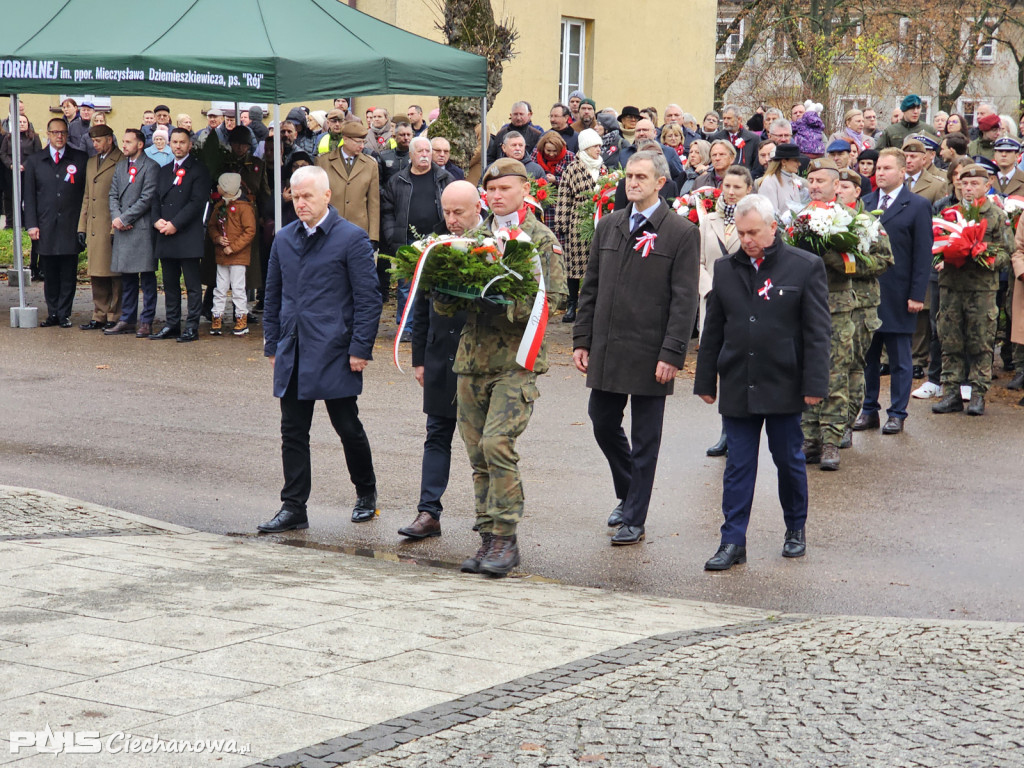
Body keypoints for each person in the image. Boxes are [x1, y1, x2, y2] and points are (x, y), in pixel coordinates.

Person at [440, 158, 566, 576]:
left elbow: (557, 298)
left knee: (497, 445)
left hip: (515, 361)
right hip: (473, 360)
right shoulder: (474, 235)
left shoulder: (540, 239)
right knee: (477, 453)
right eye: (490, 190)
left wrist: (508, 302)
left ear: (523, 190)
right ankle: (487, 538)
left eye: (504, 189)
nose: (495, 196)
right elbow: (446, 304)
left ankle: (506, 539)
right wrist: (444, 284)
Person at [694, 194, 830, 571]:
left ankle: (794, 529)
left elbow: (818, 331)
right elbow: (714, 328)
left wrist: (815, 382)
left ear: (773, 226)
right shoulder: (725, 269)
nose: (748, 239)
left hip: (784, 380)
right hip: (739, 379)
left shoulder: (805, 267)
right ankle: (732, 541)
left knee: (788, 461)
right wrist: (706, 379)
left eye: (754, 231)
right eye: (741, 233)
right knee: (738, 465)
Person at [573, 150, 699, 546]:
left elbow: (684, 300)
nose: (633, 182)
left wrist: (672, 352)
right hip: (609, 345)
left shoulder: (679, 231)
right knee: (602, 421)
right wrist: (582, 339)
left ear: (661, 182)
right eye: (629, 175)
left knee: (646, 439)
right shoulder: (609, 225)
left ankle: (635, 517)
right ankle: (629, 492)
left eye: (641, 177)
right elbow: (589, 287)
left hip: (651, 351)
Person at [258, 166, 383, 533]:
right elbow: (273, 294)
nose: (300, 204)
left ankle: (366, 492)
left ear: (327, 196)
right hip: (294, 349)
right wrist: (272, 342)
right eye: (295, 197)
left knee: (347, 426)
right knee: (292, 431)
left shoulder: (352, 239)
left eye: (307, 196)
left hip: (335, 350)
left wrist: (360, 347)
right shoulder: (283, 239)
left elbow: (368, 299)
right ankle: (293, 506)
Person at [398, 181, 482, 540]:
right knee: (436, 435)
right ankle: (428, 512)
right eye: (446, 212)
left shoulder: (495, 244)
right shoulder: (434, 243)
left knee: (482, 442)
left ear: (477, 208)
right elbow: (420, 302)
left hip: (478, 359)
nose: (451, 220)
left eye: (458, 212)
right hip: (438, 356)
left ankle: (490, 516)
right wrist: (419, 358)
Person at [854, 148, 933, 433]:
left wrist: (916, 295)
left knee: (900, 360)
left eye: (887, 168)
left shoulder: (917, 205)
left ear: (902, 172)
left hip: (900, 295)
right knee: (869, 358)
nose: (880, 172)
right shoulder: (865, 202)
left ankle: (897, 412)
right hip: (869, 296)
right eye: (878, 168)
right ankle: (869, 409)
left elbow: (922, 255)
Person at [930, 164, 1013, 416]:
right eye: (964, 184)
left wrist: (985, 256)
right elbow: (935, 245)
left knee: (980, 342)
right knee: (950, 341)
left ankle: (978, 394)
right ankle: (952, 393)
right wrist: (940, 258)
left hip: (981, 289)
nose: (968, 188)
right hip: (951, 287)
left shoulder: (996, 215)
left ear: (987, 186)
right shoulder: (949, 213)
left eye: (974, 184)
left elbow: (1006, 252)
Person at [698, 165, 753, 458]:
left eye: (737, 188)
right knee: (720, 364)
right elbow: (699, 261)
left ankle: (741, 430)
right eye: (727, 187)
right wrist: (711, 289)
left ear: (748, 190)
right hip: (713, 300)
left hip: (746, 302)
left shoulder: (756, 221)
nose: (730, 193)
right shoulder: (708, 220)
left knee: (742, 364)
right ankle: (725, 431)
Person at [381, 136, 453, 339]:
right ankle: (407, 328)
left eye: (427, 151)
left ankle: (433, 326)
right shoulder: (398, 180)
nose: (425, 155)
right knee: (406, 286)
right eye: (420, 151)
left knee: (436, 284)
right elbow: (387, 211)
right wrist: (391, 235)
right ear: (411, 155)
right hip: (407, 241)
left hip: (438, 240)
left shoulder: (444, 178)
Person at [24, 117, 88, 327]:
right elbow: (30, 196)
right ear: (48, 134)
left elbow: (85, 194)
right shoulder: (35, 161)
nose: (59, 136)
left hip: (71, 224)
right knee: (49, 272)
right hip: (46, 224)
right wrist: (31, 224)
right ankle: (52, 312)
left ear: (67, 135)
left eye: (63, 133)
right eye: (55, 133)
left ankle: (64, 314)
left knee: (69, 272)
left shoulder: (79, 158)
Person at [150, 128, 212, 343]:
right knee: (169, 284)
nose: (177, 146)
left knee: (192, 285)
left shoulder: (199, 170)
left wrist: (175, 224)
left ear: (190, 145)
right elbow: (155, 198)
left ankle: (192, 327)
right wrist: (156, 220)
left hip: (187, 234)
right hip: (165, 233)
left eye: (182, 142)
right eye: (174, 142)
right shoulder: (164, 170)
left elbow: (197, 202)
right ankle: (172, 324)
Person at [106, 129, 160, 337]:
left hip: (142, 229)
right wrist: (117, 218)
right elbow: (112, 194)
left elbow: (147, 197)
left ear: (140, 144)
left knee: (147, 278)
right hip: (122, 229)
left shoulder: (151, 167)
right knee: (127, 278)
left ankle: (146, 320)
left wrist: (125, 218)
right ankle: (127, 319)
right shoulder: (121, 166)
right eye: (124, 141)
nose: (124, 145)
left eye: (129, 142)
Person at [553, 129, 605, 325]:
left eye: (600, 146)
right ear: (585, 147)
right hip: (578, 219)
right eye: (595, 146)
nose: (599, 150)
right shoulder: (572, 169)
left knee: (597, 263)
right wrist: (562, 225)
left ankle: (594, 305)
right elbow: (564, 198)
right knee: (575, 266)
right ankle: (572, 305)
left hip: (599, 219)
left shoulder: (603, 168)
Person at [77, 124, 124, 331]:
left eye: (98, 141)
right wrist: (82, 227)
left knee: (114, 274)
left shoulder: (121, 161)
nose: (95, 145)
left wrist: (116, 227)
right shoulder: (91, 163)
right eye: (93, 141)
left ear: (109, 140)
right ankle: (99, 314)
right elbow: (87, 196)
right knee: (97, 273)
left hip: (111, 224)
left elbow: (124, 197)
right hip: (94, 225)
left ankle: (115, 314)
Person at [206, 172, 256, 336]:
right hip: (222, 256)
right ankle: (217, 317)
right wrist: (217, 238)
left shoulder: (245, 208)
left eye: (220, 185)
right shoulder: (219, 207)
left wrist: (233, 248)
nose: (217, 188)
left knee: (238, 288)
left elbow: (250, 231)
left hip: (238, 257)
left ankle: (241, 317)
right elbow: (212, 226)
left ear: (226, 188)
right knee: (220, 288)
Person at [530, 131, 575, 229]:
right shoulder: (536, 154)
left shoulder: (569, 157)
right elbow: (531, 173)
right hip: (541, 202)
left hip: (562, 203)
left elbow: (574, 180)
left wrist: (556, 180)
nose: (551, 154)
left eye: (555, 151)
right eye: (548, 151)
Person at [756, 143, 807, 218]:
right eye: (795, 160)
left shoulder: (792, 181)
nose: (799, 164)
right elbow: (771, 214)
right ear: (783, 162)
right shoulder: (769, 182)